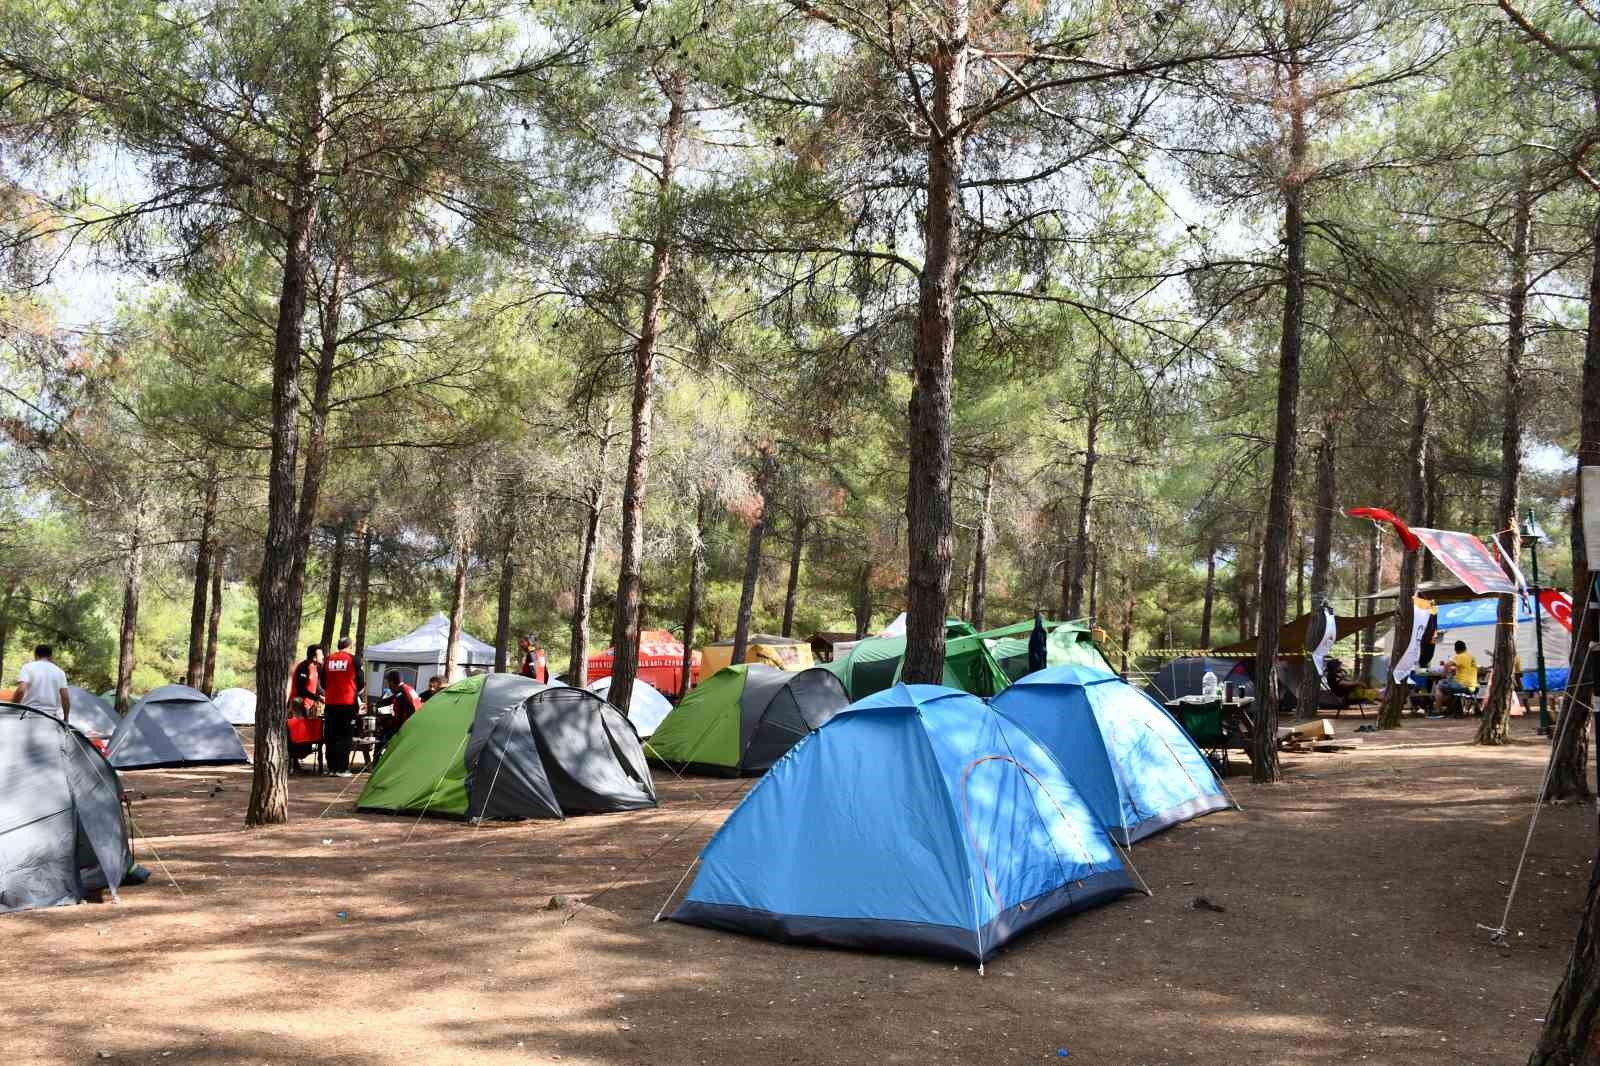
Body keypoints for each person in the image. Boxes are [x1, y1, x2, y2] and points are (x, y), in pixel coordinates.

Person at [322, 637, 364, 777]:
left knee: (331, 735)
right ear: (350, 646)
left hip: (330, 703)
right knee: (345, 736)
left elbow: (323, 682)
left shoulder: (328, 660)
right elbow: (361, 682)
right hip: (347, 703)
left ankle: (332, 768)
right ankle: (342, 768)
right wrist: (352, 691)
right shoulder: (354, 660)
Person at [289, 644, 325, 773]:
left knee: (307, 735)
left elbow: (318, 687)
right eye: (321, 654)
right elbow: (301, 689)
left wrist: (326, 695)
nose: (323, 657)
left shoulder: (316, 668)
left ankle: (297, 761)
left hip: (308, 705)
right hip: (297, 705)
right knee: (296, 735)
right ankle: (293, 763)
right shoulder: (303, 667)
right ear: (314, 656)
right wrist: (317, 698)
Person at [374, 670, 422, 762]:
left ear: (392, 682)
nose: (388, 685)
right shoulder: (407, 689)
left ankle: (375, 764)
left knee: (381, 739)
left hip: (406, 727)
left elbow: (405, 713)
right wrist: (379, 703)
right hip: (414, 724)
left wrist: (393, 725)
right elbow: (392, 699)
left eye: (388, 682)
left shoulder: (402, 694)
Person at [13, 644, 70, 722]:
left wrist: (12, 708)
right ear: (50, 656)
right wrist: (66, 718)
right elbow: (65, 697)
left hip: (29, 714)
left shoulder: (28, 667)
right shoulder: (60, 672)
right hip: (51, 717)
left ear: (36, 655)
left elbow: (21, 690)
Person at [1433, 640, 1480, 715]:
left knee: (1439, 685)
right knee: (1448, 688)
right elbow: (1465, 668)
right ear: (1465, 648)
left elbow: (1447, 665)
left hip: (1463, 685)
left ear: (1455, 650)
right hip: (1474, 686)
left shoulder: (1460, 656)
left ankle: (1438, 711)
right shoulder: (1472, 657)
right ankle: (1450, 709)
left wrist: (1444, 675)